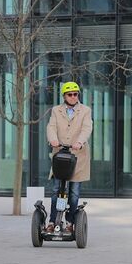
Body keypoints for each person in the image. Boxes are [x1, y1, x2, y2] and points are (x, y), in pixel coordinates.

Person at [46, 81, 92, 233]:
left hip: (78, 156)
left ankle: (70, 223)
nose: (73, 97)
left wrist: (80, 141)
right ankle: (52, 221)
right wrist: (52, 139)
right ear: (64, 96)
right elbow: (51, 127)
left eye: (75, 94)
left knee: (74, 192)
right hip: (60, 155)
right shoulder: (56, 110)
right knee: (55, 190)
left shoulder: (85, 110)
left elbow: (87, 128)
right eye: (70, 94)